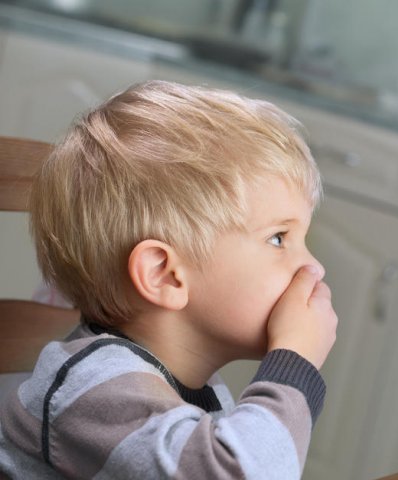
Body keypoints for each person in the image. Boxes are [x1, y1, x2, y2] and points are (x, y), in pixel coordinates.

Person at [0, 80, 338, 479]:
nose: (313, 268)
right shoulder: (97, 388)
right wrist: (293, 362)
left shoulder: (188, 384)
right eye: (278, 238)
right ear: (164, 275)